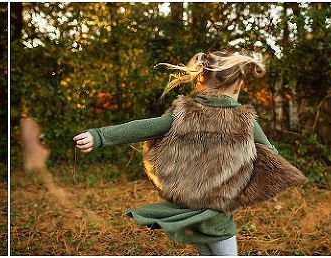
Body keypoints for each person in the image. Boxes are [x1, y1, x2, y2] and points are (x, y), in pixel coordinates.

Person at [73, 51, 305, 255]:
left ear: (201, 80)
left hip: (190, 204)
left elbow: (142, 128)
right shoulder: (245, 121)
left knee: (205, 250)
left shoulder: (183, 114)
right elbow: (271, 154)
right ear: (237, 86)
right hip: (217, 212)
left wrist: (99, 136)